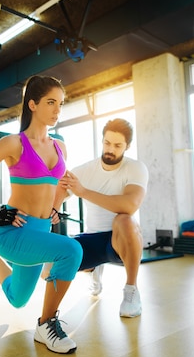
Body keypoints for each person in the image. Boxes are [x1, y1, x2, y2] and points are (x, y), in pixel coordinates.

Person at [0, 75, 83, 354]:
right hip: (13, 231)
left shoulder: (59, 146)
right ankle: (46, 324)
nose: (57, 110)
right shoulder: (13, 144)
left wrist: (55, 207)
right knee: (72, 251)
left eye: (60, 104)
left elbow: (60, 184)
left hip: (40, 232)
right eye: (51, 102)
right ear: (33, 105)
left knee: (17, 298)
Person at [55, 118, 149, 318]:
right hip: (93, 239)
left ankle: (131, 290)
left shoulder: (135, 168)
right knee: (49, 270)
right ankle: (94, 268)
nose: (110, 149)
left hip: (120, 239)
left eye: (117, 145)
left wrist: (83, 192)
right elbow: (58, 192)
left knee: (124, 219)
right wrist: (52, 210)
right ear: (102, 141)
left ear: (127, 146)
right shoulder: (85, 170)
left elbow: (130, 205)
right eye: (107, 143)